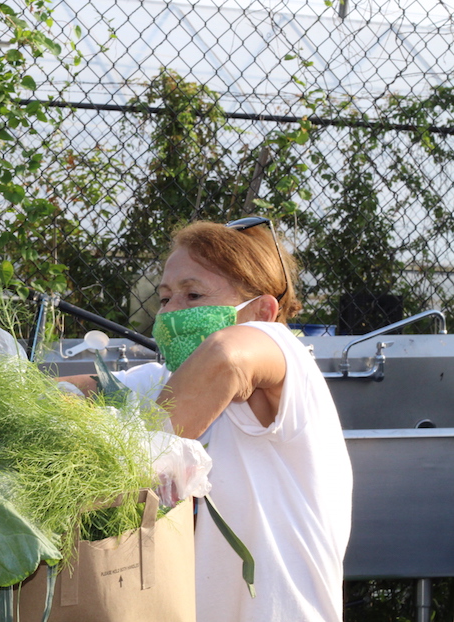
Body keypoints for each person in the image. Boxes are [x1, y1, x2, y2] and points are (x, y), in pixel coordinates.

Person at [63, 217, 352, 622]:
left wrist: (139, 446)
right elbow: (84, 392)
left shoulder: (284, 355)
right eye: (164, 300)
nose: (172, 313)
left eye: (193, 294)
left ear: (262, 310)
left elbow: (227, 355)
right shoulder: (166, 381)